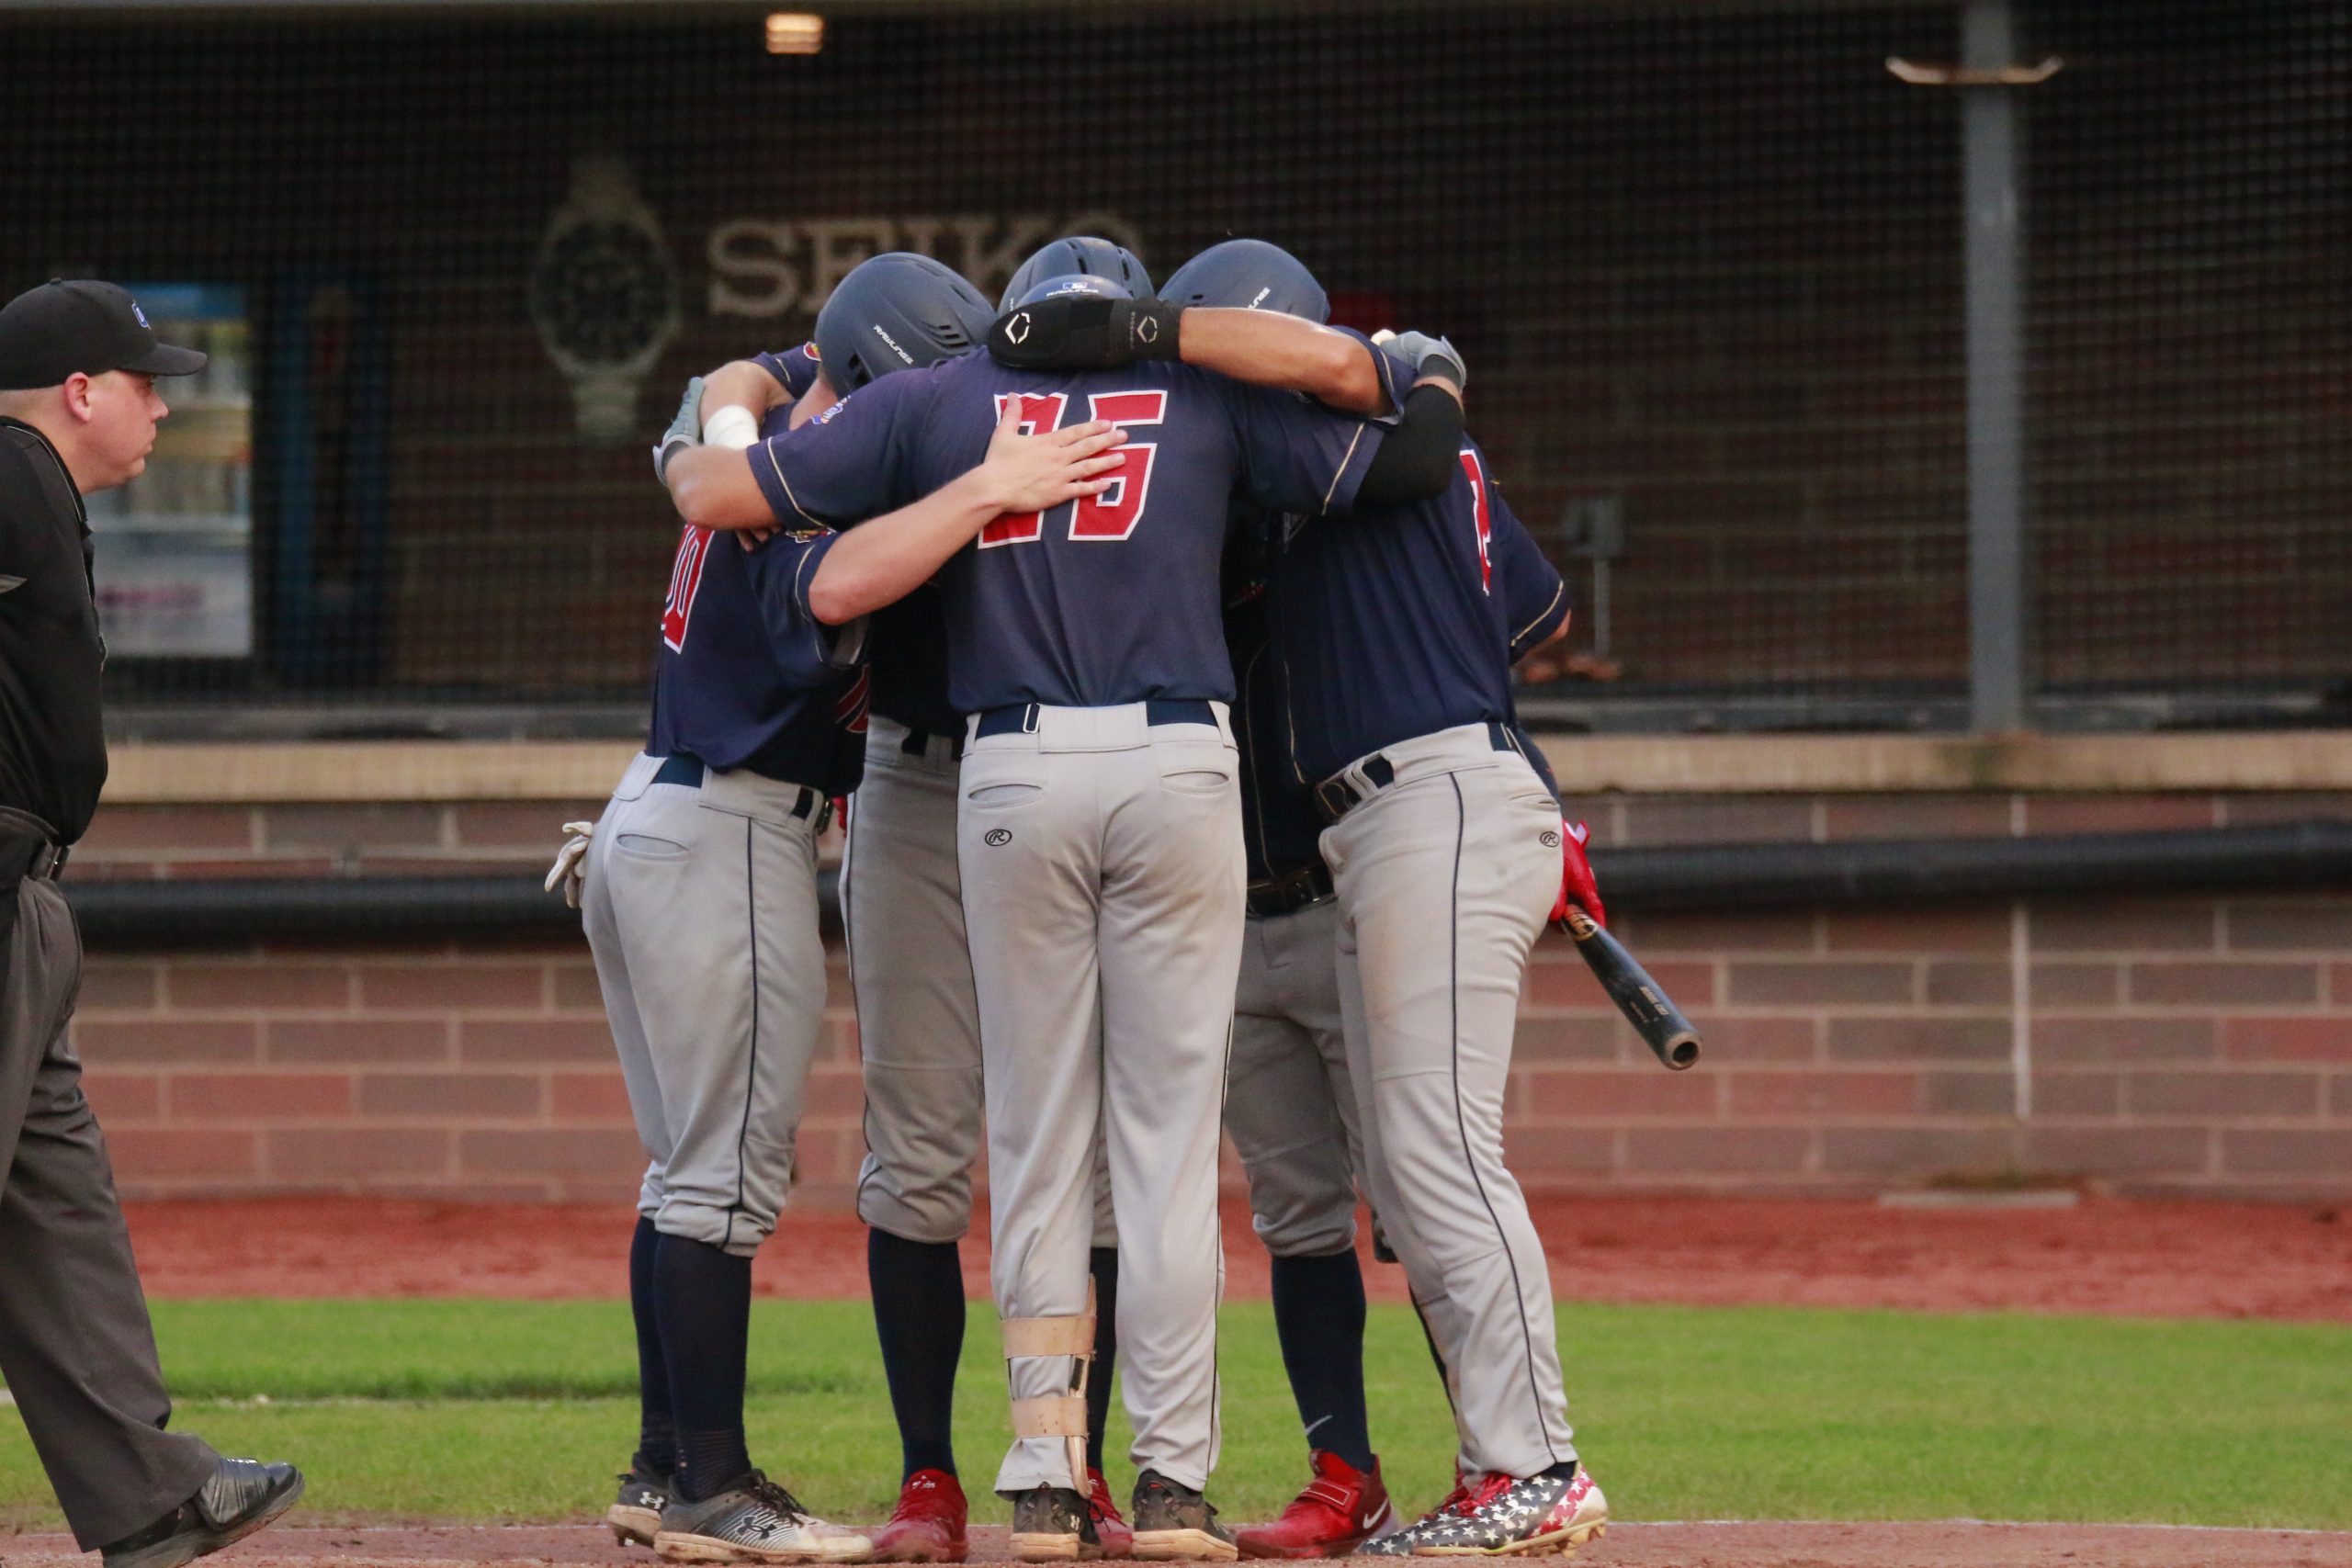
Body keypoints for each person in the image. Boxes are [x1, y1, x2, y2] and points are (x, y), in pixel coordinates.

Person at [667, 278, 1456, 1562]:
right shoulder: (1203, 387)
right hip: (1178, 761)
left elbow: (715, 494)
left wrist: (746, 384)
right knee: (1164, 1139)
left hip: (1010, 762)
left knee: (1036, 1139)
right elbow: (1398, 441)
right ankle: (1172, 1487)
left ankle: (1041, 1473)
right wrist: (1421, 367)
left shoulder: (939, 393)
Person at [997, 270, 1610, 1558]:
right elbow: (1521, 621)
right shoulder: (1350, 453)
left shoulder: (1385, 401)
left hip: (1430, 791)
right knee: (1412, 1160)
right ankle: (1493, 1468)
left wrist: (1511, 784)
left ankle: (1533, 1467)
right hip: (1405, 806)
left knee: (1437, 1153)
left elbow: (1354, 385)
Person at [558, 252, 1124, 1565]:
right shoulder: (805, 498)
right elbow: (831, 585)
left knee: (682, 1174)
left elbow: (745, 380)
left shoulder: (763, 423)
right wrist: (990, 485)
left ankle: (662, 1468)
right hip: (734, 827)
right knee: (719, 1183)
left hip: (661, 811)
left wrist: (768, 380)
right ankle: (708, 1481)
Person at [0, 278, 303, 1568]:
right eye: (144, 383)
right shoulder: (10, 467)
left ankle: (149, 1495)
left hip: (29, 891)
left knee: (52, 1201)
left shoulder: (35, 488)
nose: (162, 410)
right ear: (80, 391)